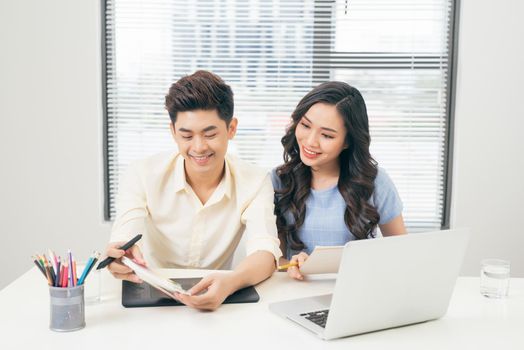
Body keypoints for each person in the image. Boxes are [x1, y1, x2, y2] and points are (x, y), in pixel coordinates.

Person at [104, 70, 281, 310]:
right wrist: (121, 256)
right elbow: (125, 233)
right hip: (152, 298)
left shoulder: (254, 181)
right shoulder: (142, 174)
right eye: (186, 135)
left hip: (219, 297)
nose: (199, 147)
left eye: (210, 134)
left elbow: (266, 252)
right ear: (173, 132)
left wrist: (232, 282)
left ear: (231, 129)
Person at [272, 81, 406, 280]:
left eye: (326, 135)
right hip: (297, 291)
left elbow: (402, 253)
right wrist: (292, 264)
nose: (310, 142)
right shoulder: (279, 180)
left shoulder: (375, 182)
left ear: (348, 141)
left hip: (359, 290)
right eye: (306, 125)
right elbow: (274, 261)